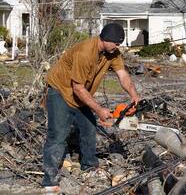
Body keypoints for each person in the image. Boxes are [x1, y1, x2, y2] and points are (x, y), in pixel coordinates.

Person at [41, 23, 140, 190]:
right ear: (105, 39)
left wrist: (134, 95)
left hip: (79, 94)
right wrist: (99, 109)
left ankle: (89, 167)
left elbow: (123, 75)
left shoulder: (112, 53)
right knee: (57, 135)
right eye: (116, 43)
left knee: (89, 127)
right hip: (60, 92)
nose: (118, 46)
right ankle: (49, 182)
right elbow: (77, 88)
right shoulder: (85, 52)